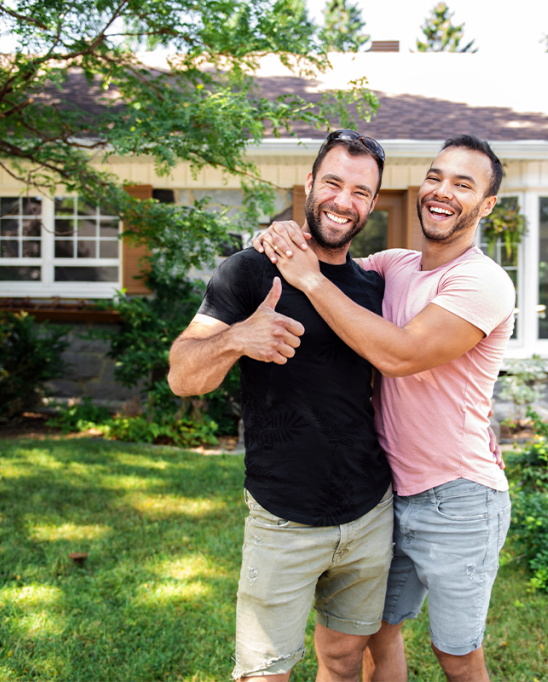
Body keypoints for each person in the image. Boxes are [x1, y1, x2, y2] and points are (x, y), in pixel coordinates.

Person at [254, 134, 516, 682]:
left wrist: (307, 278)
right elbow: (333, 249)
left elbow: (400, 355)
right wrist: (286, 231)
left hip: (460, 496)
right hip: (388, 493)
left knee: (457, 655)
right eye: (436, 177)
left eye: (463, 185)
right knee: (377, 632)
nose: (442, 192)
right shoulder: (395, 265)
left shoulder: (482, 282)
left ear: (486, 206)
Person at [168, 130, 394, 682]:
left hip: (369, 512)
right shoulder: (250, 270)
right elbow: (181, 374)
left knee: (342, 660)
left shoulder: (372, 287)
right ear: (310, 183)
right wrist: (237, 338)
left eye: (361, 192)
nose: (344, 201)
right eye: (334, 182)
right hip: (282, 515)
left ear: (372, 204)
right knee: (263, 673)